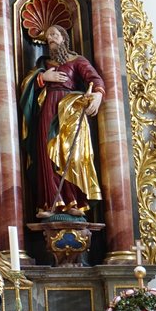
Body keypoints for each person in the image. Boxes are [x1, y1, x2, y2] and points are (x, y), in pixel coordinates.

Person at [19, 23, 105, 218]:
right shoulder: (44, 64)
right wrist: (43, 77)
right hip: (48, 107)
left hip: (70, 110)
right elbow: (27, 85)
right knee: (46, 153)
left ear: (64, 38)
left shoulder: (77, 61)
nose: (50, 39)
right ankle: (50, 203)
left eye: (54, 35)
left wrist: (98, 96)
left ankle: (76, 201)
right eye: (48, 37)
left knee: (71, 153)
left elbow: (95, 79)